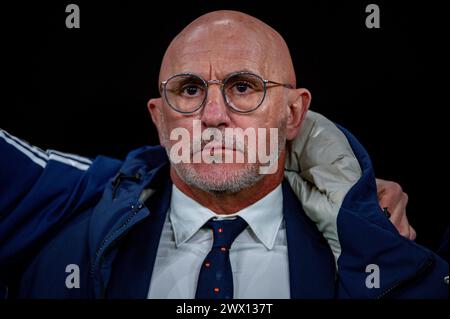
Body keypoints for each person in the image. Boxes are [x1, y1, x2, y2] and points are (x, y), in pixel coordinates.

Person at [0, 10, 446, 299]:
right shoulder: (66, 230)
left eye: (243, 87)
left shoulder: (374, 247)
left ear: (295, 114)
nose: (213, 115)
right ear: (159, 119)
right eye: (189, 90)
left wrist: (368, 231)